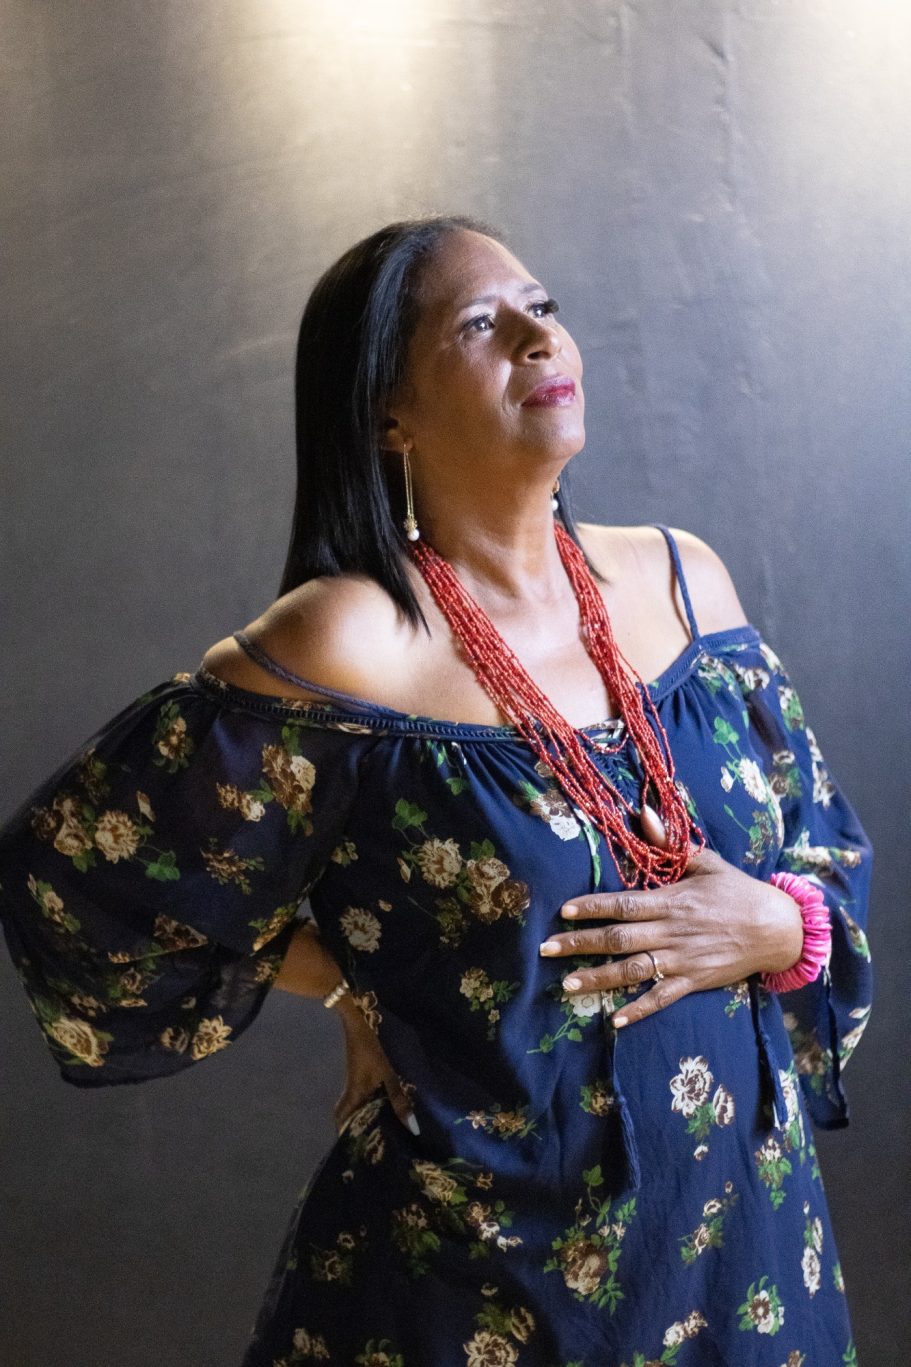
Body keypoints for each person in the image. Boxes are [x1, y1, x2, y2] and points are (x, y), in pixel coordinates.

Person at [0, 215, 873, 1367]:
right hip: (483, 1283)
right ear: (388, 414)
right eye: (479, 323)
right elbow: (83, 882)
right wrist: (345, 984)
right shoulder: (349, 639)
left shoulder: (684, 578)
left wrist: (775, 923)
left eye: (541, 307)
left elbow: (816, 849)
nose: (533, 334)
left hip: (741, 1255)